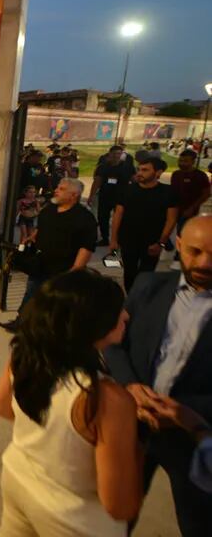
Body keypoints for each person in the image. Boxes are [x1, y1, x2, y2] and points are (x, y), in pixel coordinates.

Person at [0, 270, 142, 535]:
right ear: (91, 325)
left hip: (18, 478)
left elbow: (2, 407)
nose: (126, 315)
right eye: (117, 311)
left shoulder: (26, 356)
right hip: (74, 517)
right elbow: (118, 505)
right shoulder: (107, 399)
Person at [104, 215, 212, 536]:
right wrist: (131, 386)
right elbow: (113, 344)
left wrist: (187, 415)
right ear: (178, 245)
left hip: (194, 441)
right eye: (195, 251)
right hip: (132, 428)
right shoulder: (148, 286)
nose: (205, 263)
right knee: (115, 517)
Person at [17, 178, 97, 308]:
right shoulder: (50, 210)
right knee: (31, 294)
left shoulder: (85, 218)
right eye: (58, 187)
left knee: (56, 302)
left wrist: (76, 269)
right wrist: (31, 237)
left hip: (63, 268)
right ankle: (21, 321)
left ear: (74, 195)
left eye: (62, 189)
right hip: (40, 263)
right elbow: (40, 228)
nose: (56, 191)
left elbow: (86, 247)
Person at [108, 158, 178, 291]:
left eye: (145, 170)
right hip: (128, 240)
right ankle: (130, 302)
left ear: (158, 172)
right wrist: (113, 240)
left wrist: (161, 242)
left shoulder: (168, 192)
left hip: (153, 242)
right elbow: (118, 215)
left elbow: (171, 219)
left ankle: (142, 301)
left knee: (146, 275)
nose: (139, 173)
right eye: (139, 169)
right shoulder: (127, 190)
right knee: (129, 273)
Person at [90, 145, 135, 246]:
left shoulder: (127, 167)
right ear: (109, 154)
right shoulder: (103, 167)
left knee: (120, 219)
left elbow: (134, 180)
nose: (116, 156)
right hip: (105, 196)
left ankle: (119, 238)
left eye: (119, 154)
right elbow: (97, 181)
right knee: (103, 218)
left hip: (121, 197)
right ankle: (105, 238)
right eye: (114, 153)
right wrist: (91, 195)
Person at [171, 150, 211, 257]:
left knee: (183, 232)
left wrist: (193, 207)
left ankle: (180, 255)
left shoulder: (199, 175)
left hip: (188, 211)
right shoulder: (176, 174)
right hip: (174, 209)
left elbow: (206, 193)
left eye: (186, 161)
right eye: (180, 160)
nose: (182, 163)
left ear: (193, 162)